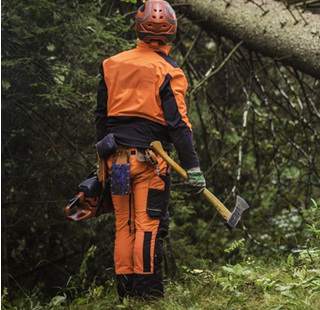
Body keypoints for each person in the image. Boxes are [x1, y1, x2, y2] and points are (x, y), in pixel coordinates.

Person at [94, 0, 205, 299]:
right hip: (149, 163)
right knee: (146, 226)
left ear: (138, 28)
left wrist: (101, 161)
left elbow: (101, 118)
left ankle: (125, 294)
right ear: (171, 32)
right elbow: (179, 124)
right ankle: (148, 296)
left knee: (123, 224)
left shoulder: (111, 64)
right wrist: (192, 167)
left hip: (116, 161)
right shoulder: (169, 71)